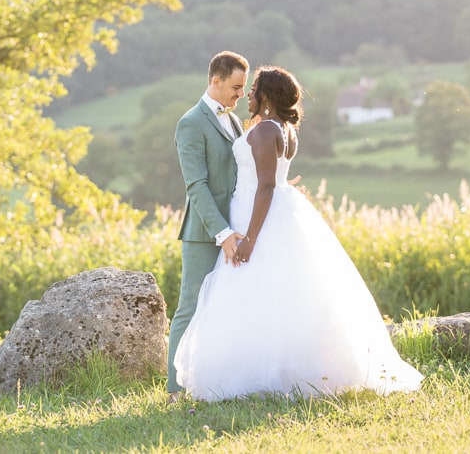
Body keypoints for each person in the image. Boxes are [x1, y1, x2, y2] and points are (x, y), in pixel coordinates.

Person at [174, 66, 424, 401]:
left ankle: (256, 373)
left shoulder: (262, 131)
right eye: (240, 88)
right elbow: (271, 179)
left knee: (253, 293)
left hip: (256, 216)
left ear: (265, 96)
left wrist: (248, 238)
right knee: (282, 294)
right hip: (272, 212)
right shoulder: (285, 129)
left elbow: (264, 185)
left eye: (251, 90)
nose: (246, 95)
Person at [167, 51, 250, 403]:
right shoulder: (190, 123)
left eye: (244, 88)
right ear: (215, 81)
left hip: (237, 228)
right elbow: (196, 186)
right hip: (205, 233)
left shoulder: (233, 121)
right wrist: (222, 232)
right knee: (191, 306)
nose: (240, 95)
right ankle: (175, 389)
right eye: (235, 87)